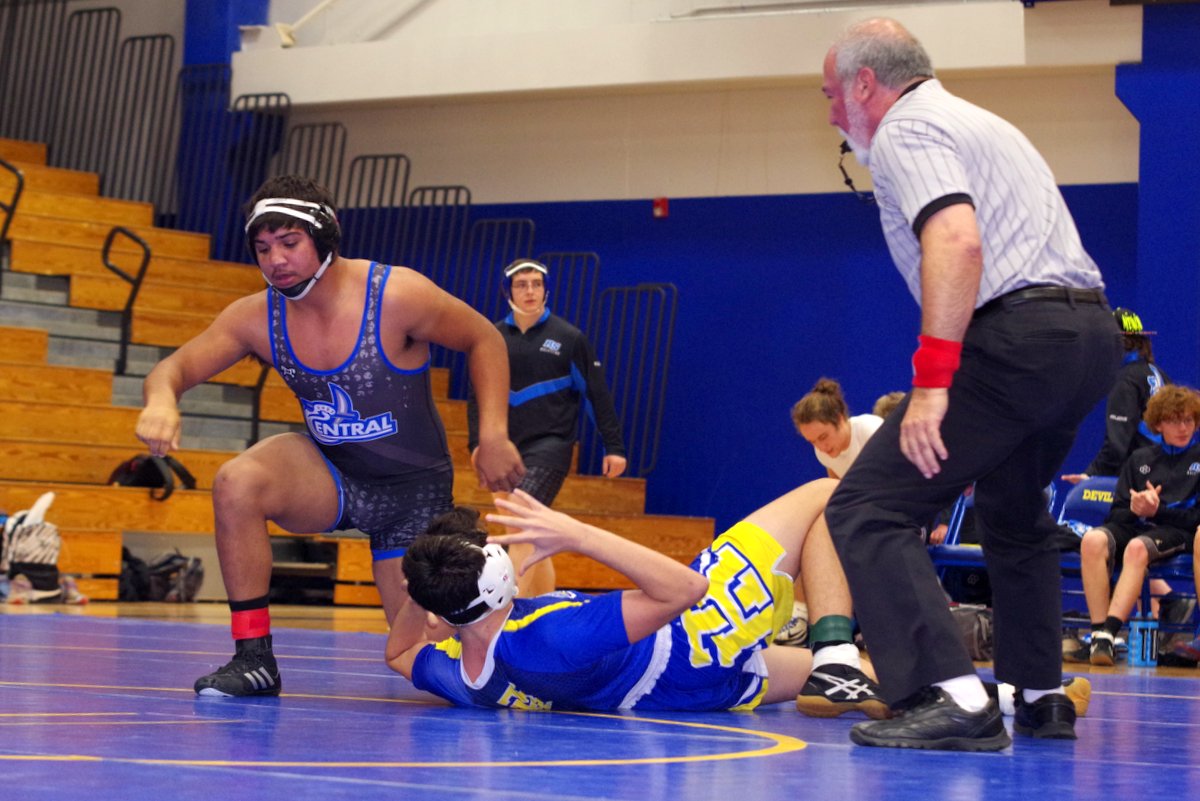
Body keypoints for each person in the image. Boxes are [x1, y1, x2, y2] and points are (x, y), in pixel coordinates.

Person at [818, 18, 1121, 750]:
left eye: (831, 94)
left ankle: (950, 695)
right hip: (1089, 337)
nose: (830, 113)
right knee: (1013, 511)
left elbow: (956, 240)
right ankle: (1042, 695)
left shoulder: (905, 129)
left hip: (1018, 338)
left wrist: (931, 384)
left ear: (865, 84)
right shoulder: (986, 122)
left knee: (867, 506)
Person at [135, 175, 524, 697]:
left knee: (430, 662)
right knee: (237, 482)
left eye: (289, 243)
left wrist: (493, 433)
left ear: (325, 236)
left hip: (413, 495)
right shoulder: (257, 317)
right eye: (263, 248)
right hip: (335, 476)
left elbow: (483, 337)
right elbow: (173, 368)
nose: (276, 260)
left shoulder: (395, 295)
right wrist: (162, 400)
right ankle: (254, 658)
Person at [387, 484, 888, 716]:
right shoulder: (549, 638)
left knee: (870, 677)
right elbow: (686, 590)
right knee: (829, 496)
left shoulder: (462, 676)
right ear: (496, 575)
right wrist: (578, 534)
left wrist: (419, 592)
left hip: (672, 694)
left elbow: (399, 652)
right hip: (694, 638)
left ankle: (863, 675)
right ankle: (834, 650)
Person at [467, 258, 626, 594]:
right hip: (504, 448)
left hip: (551, 445)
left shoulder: (569, 338)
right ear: (507, 291)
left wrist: (613, 447)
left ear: (546, 289)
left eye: (536, 284)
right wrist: (477, 444)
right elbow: (477, 395)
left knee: (520, 521)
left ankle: (513, 607)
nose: (530, 291)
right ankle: (545, 604)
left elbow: (596, 394)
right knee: (529, 531)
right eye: (521, 284)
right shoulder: (492, 337)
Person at [1078, 385, 1200, 665]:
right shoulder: (1140, 459)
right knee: (1092, 540)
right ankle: (1099, 637)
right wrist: (1135, 509)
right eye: (1174, 421)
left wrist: (1159, 511)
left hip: (1177, 531)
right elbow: (1116, 515)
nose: (1183, 428)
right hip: (1137, 525)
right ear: (1158, 424)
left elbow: (1196, 520)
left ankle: (1109, 632)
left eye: (1188, 420)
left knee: (1136, 548)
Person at [1063, 307, 1170, 485]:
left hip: (1142, 481)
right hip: (1169, 475)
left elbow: (1117, 444)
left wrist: (1091, 476)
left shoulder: (1126, 380)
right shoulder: (1158, 373)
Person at [791, 377, 883, 479]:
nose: (821, 448)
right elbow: (838, 485)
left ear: (839, 419)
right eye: (813, 442)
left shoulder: (870, 429)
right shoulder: (822, 453)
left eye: (823, 437)